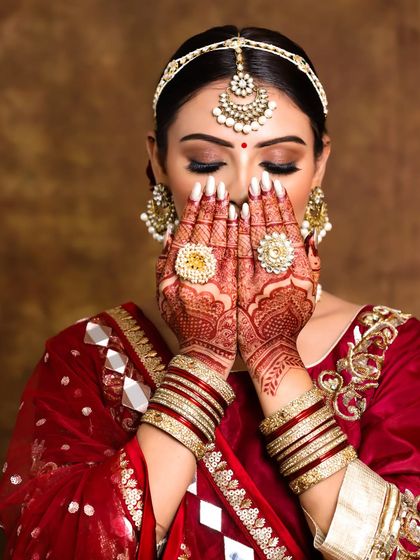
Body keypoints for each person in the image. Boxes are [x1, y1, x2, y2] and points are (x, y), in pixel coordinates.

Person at [0, 24, 419, 560]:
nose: (245, 190)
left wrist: (274, 358)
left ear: (320, 166)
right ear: (157, 163)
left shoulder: (395, 354)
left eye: (280, 164)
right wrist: (201, 359)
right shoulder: (87, 359)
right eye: (205, 162)